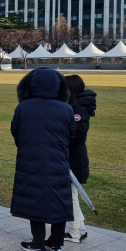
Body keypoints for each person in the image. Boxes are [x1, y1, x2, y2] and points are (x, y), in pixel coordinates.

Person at [11, 68, 75, 251]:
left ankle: (39, 242)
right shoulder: (66, 108)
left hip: (31, 158)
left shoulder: (24, 106)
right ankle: (55, 243)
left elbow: (16, 131)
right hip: (58, 158)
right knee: (59, 199)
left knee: (34, 198)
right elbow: (71, 135)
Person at [64, 75, 96, 244]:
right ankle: (79, 228)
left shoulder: (78, 110)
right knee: (71, 195)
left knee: (70, 196)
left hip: (73, 158)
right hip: (72, 156)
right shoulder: (75, 107)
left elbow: (76, 136)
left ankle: (74, 231)